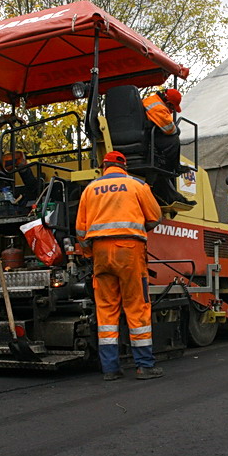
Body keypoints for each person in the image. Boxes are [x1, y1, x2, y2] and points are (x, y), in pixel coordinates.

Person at [76, 150, 164, 380]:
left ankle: (110, 369)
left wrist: (88, 252)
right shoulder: (137, 185)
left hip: (100, 254)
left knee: (106, 309)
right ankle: (144, 366)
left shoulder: (90, 189)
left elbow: (80, 230)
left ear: (103, 167)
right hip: (130, 251)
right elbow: (155, 217)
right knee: (137, 306)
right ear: (124, 166)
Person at [141, 88, 195, 206]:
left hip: (147, 137)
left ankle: (173, 171)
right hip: (149, 139)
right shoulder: (157, 106)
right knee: (174, 139)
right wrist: (177, 129)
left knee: (161, 177)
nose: (171, 111)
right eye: (172, 108)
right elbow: (169, 129)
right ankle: (174, 167)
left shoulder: (151, 101)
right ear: (169, 103)